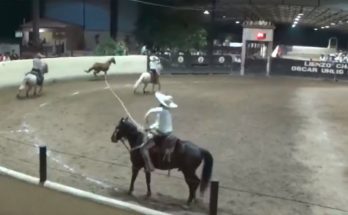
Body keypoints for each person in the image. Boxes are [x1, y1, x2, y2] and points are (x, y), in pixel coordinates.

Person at [141, 92, 178, 172]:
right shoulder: (167, 112)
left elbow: (151, 110)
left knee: (144, 149)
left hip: (162, 134)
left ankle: (150, 167)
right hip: (168, 133)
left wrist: (146, 115)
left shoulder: (161, 110)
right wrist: (150, 127)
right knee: (150, 133)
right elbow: (158, 123)